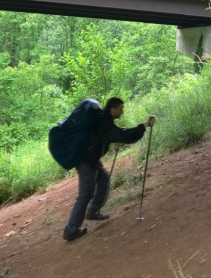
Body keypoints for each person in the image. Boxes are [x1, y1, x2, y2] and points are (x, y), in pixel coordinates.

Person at [63, 97, 155, 241]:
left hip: (90, 158)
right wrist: (144, 126)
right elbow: (122, 135)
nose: (122, 112)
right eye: (120, 109)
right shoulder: (104, 122)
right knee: (85, 194)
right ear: (113, 109)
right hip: (86, 160)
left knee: (103, 181)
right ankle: (71, 230)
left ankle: (93, 211)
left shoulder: (103, 119)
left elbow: (116, 134)